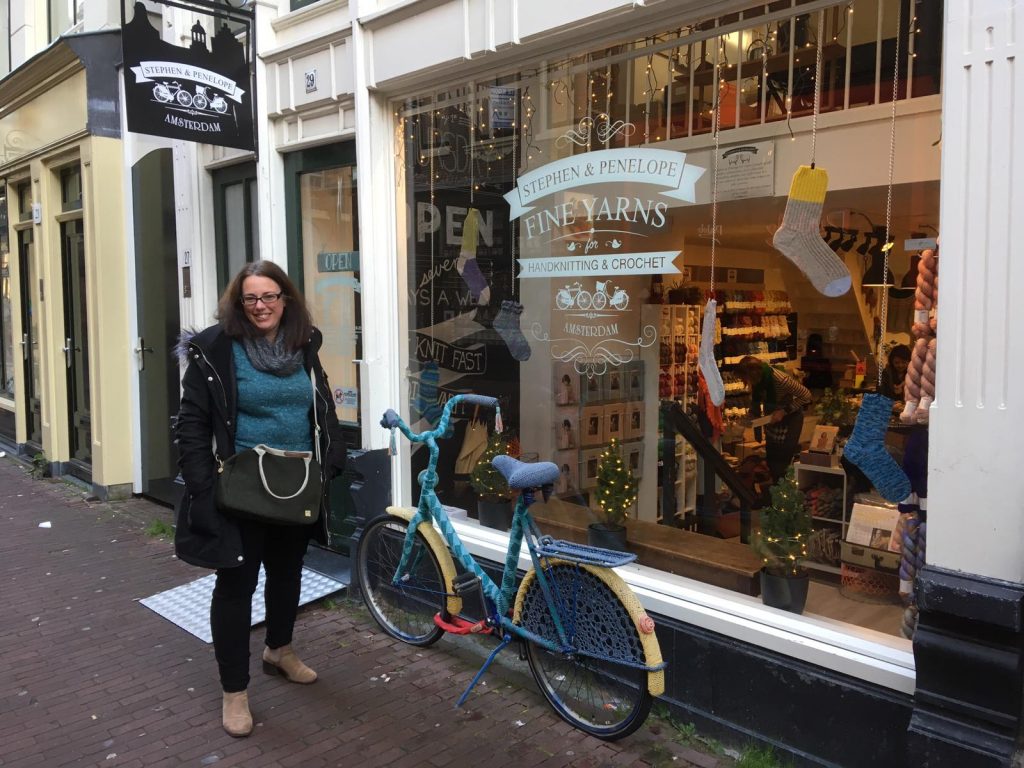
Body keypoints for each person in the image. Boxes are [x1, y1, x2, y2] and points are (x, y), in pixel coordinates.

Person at [173, 260, 347, 738]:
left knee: (288, 572)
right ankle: (235, 691)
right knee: (236, 587)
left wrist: (331, 455)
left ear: (285, 299)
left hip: (296, 485)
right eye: (250, 298)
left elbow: (322, 402)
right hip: (240, 491)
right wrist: (205, 488)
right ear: (238, 303)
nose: (261, 306)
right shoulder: (214, 349)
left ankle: (279, 649)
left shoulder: (303, 343)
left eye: (269, 296)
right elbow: (191, 425)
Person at [736, 356, 811, 482]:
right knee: (771, 455)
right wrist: (752, 417)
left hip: (790, 419)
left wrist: (784, 411)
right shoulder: (759, 382)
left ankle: (783, 489)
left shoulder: (781, 380)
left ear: (753, 374)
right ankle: (773, 488)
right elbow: (756, 403)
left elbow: (806, 395)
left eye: (746, 379)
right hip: (772, 418)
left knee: (782, 459)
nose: (746, 383)